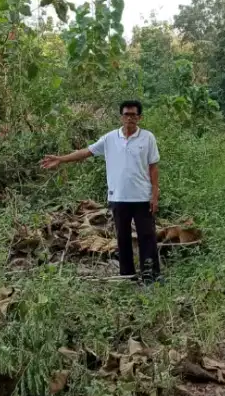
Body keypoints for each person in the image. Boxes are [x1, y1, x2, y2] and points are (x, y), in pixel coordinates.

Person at [41, 101, 162, 284]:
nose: (130, 118)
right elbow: (86, 152)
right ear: (121, 117)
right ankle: (127, 276)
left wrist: (154, 195)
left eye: (134, 115)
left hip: (142, 197)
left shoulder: (147, 138)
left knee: (147, 236)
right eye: (127, 114)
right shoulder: (110, 138)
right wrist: (61, 159)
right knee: (122, 238)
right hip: (118, 197)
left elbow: (153, 167)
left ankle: (151, 275)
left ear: (139, 118)